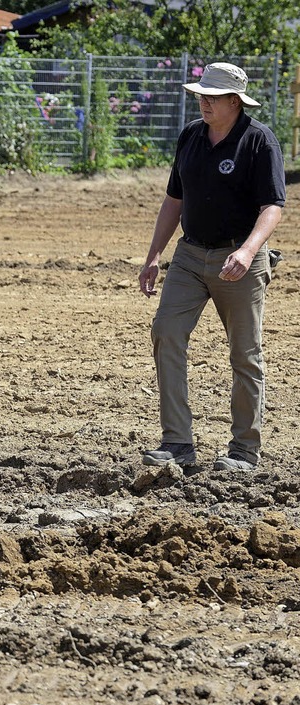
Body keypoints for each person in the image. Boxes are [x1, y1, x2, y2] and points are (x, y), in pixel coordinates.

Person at [138, 62, 285, 472]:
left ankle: (243, 450)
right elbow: (174, 200)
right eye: (201, 94)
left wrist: (249, 251)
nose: (203, 101)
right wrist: (153, 256)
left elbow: (273, 206)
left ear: (234, 102)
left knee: (245, 353)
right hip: (189, 255)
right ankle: (177, 442)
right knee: (166, 331)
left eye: (213, 96)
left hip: (240, 258)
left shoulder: (259, 142)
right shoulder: (190, 136)